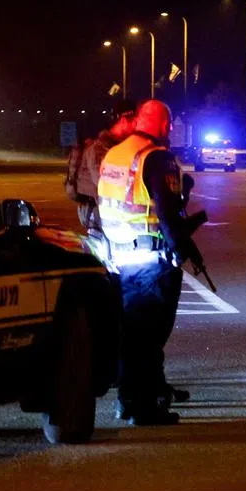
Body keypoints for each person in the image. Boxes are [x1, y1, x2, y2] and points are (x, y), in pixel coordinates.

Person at [98, 100, 203, 425]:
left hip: (119, 257)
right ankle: (143, 409)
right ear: (165, 125)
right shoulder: (157, 157)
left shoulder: (115, 155)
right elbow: (167, 213)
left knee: (130, 333)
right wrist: (181, 250)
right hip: (150, 261)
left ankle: (130, 400)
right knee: (149, 336)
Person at [68, 99, 137, 231]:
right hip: (97, 214)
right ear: (123, 121)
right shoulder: (101, 148)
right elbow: (105, 183)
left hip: (108, 213)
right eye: (134, 122)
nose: (136, 127)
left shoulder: (118, 146)